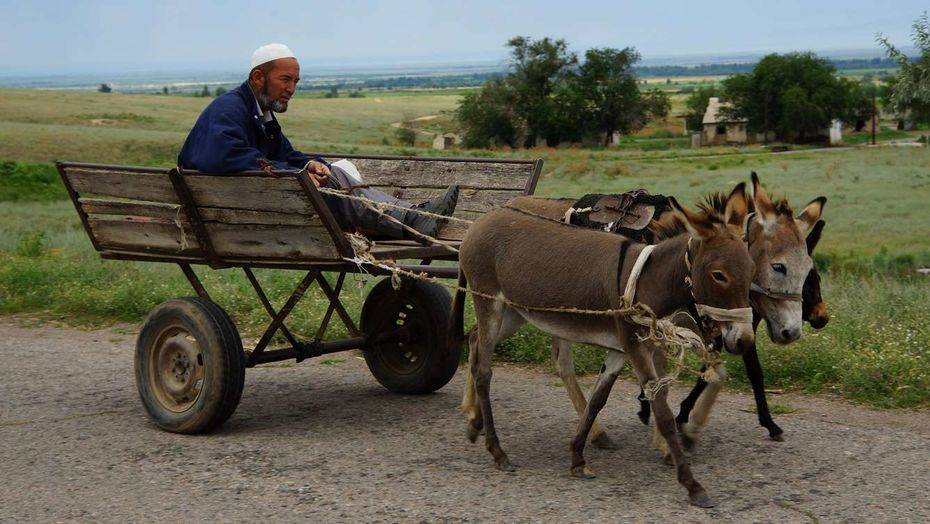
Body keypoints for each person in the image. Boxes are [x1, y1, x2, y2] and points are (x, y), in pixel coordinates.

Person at [178, 43, 459, 241]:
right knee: (334, 178)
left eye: (296, 81)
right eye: (285, 79)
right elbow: (224, 156)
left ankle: (408, 218)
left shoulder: (260, 113)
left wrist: (311, 165)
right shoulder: (229, 109)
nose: (291, 89)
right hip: (235, 214)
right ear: (258, 77)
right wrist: (294, 174)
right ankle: (411, 219)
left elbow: (285, 154)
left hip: (252, 205)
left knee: (331, 172)